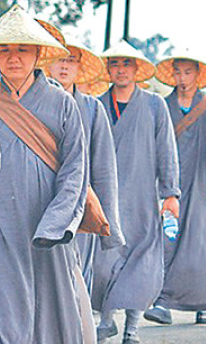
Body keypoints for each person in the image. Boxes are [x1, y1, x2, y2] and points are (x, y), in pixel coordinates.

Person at [0, 5, 90, 343]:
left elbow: (76, 169)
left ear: (38, 54)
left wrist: (56, 222)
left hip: (44, 225)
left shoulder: (62, 104)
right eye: (4, 49)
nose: (13, 58)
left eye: (22, 49)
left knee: (50, 312)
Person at [91, 40, 180, 344]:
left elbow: (167, 150)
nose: (120, 70)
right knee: (104, 259)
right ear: (108, 69)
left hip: (142, 194)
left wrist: (170, 194)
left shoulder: (155, 106)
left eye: (126, 64)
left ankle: (132, 328)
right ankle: (105, 321)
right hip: (105, 192)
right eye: (115, 64)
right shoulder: (97, 105)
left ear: (138, 69)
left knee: (140, 263)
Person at [144, 53, 206, 326]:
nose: (182, 79)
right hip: (167, 183)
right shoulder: (162, 105)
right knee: (166, 241)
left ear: (197, 75)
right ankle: (162, 301)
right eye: (178, 73)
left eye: (187, 73)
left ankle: (203, 303)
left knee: (201, 243)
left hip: (199, 182)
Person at [46, 43, 124, 299]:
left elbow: (104, 168)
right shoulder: (31, 101)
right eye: (59, 59)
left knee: (77, 278)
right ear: (48, 63)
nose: (64, 65)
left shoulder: (92, 109)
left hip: (78, 203)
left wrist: (107, 219)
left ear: (79, 67)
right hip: (37, 199)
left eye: (71, 60)